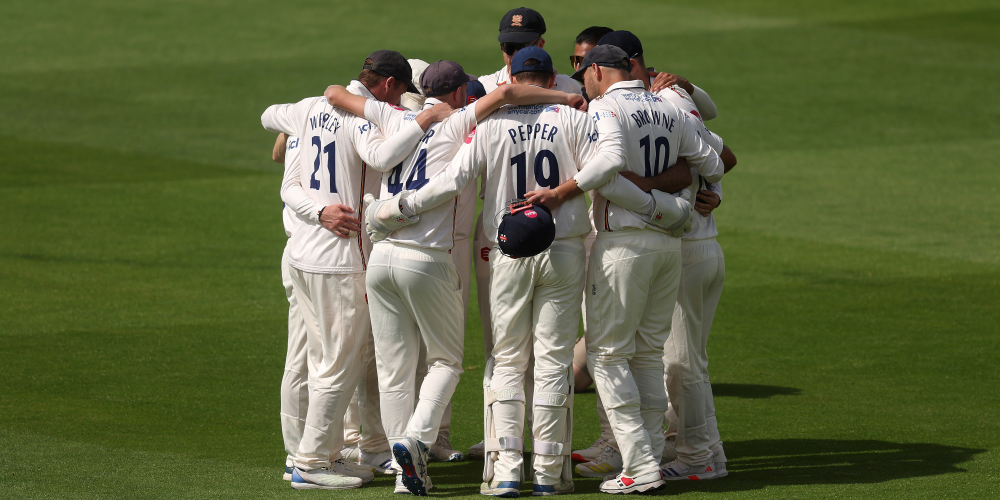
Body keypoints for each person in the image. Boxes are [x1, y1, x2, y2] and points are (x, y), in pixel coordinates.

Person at [367, 46, 659, 497]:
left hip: (508, 252)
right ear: (550, 80)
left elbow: (451, 183)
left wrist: (400, 208)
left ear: (514, 80)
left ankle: (505, 470)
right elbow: (607, 166)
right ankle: (548, 472)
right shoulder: (574, 118)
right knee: (553, 360)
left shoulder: (489, 126)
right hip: (564, 250)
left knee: (506, 360)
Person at [324, 58, 590, 496]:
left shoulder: (394, 116)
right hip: (428, 258)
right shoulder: (458, 121)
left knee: (394, 371)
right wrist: (566, 96)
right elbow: (504, 96)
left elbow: (335, 93)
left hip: (382, 256)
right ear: (460, 94)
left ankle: (404, 473)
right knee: (447, 362)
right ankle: (419, 441)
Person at [525, 44, 725, 493]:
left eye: (584, 72)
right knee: (648, 355)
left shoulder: (605, 107)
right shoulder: (667, 105)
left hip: (623, 246)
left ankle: (639, 463)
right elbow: (712, 162)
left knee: (607, 356)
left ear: (597, 70)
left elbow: (611, 161)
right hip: (668, 245)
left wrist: (561, 192)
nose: (583, 81)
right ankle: (648, 457)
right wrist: (672, 199)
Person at [260, 49, 452, 490]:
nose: (397, 102)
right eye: (399, 93)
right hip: (340, 261)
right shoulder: (362, 120)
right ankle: (311, 462)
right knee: (338, 364)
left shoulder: (309, 107)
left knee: (307, 360)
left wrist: (315, 205)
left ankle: (309, 454)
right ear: (387, 84)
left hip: (301, 255)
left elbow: (270, 117)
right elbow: (382, 158)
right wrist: (424, 119)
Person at [271, 133, 311, 483]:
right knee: (302, 356)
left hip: (311, 250)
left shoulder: (299, 119)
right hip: (307, 250)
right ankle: (297, 456)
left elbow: (277, 152)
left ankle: (322, 449)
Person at [478, 7, 583, 95]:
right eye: (509, 47)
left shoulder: (569, 88)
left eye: (523, 48)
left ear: (540, 45)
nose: (516, 55)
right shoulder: (484, 87)